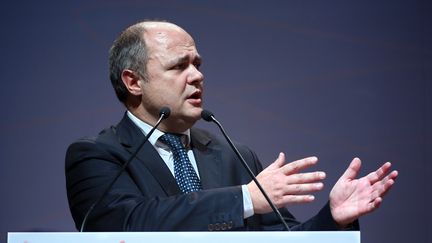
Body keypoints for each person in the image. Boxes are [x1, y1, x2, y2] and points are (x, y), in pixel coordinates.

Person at [65, 20, 398, 231]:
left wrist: (332, 219)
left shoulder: (233, 154)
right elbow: (122, 225)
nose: (197, 76)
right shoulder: (96, 155)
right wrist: (244, 199)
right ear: (133, 81)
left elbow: (280, 240)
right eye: (179, 66)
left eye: (197, 64)